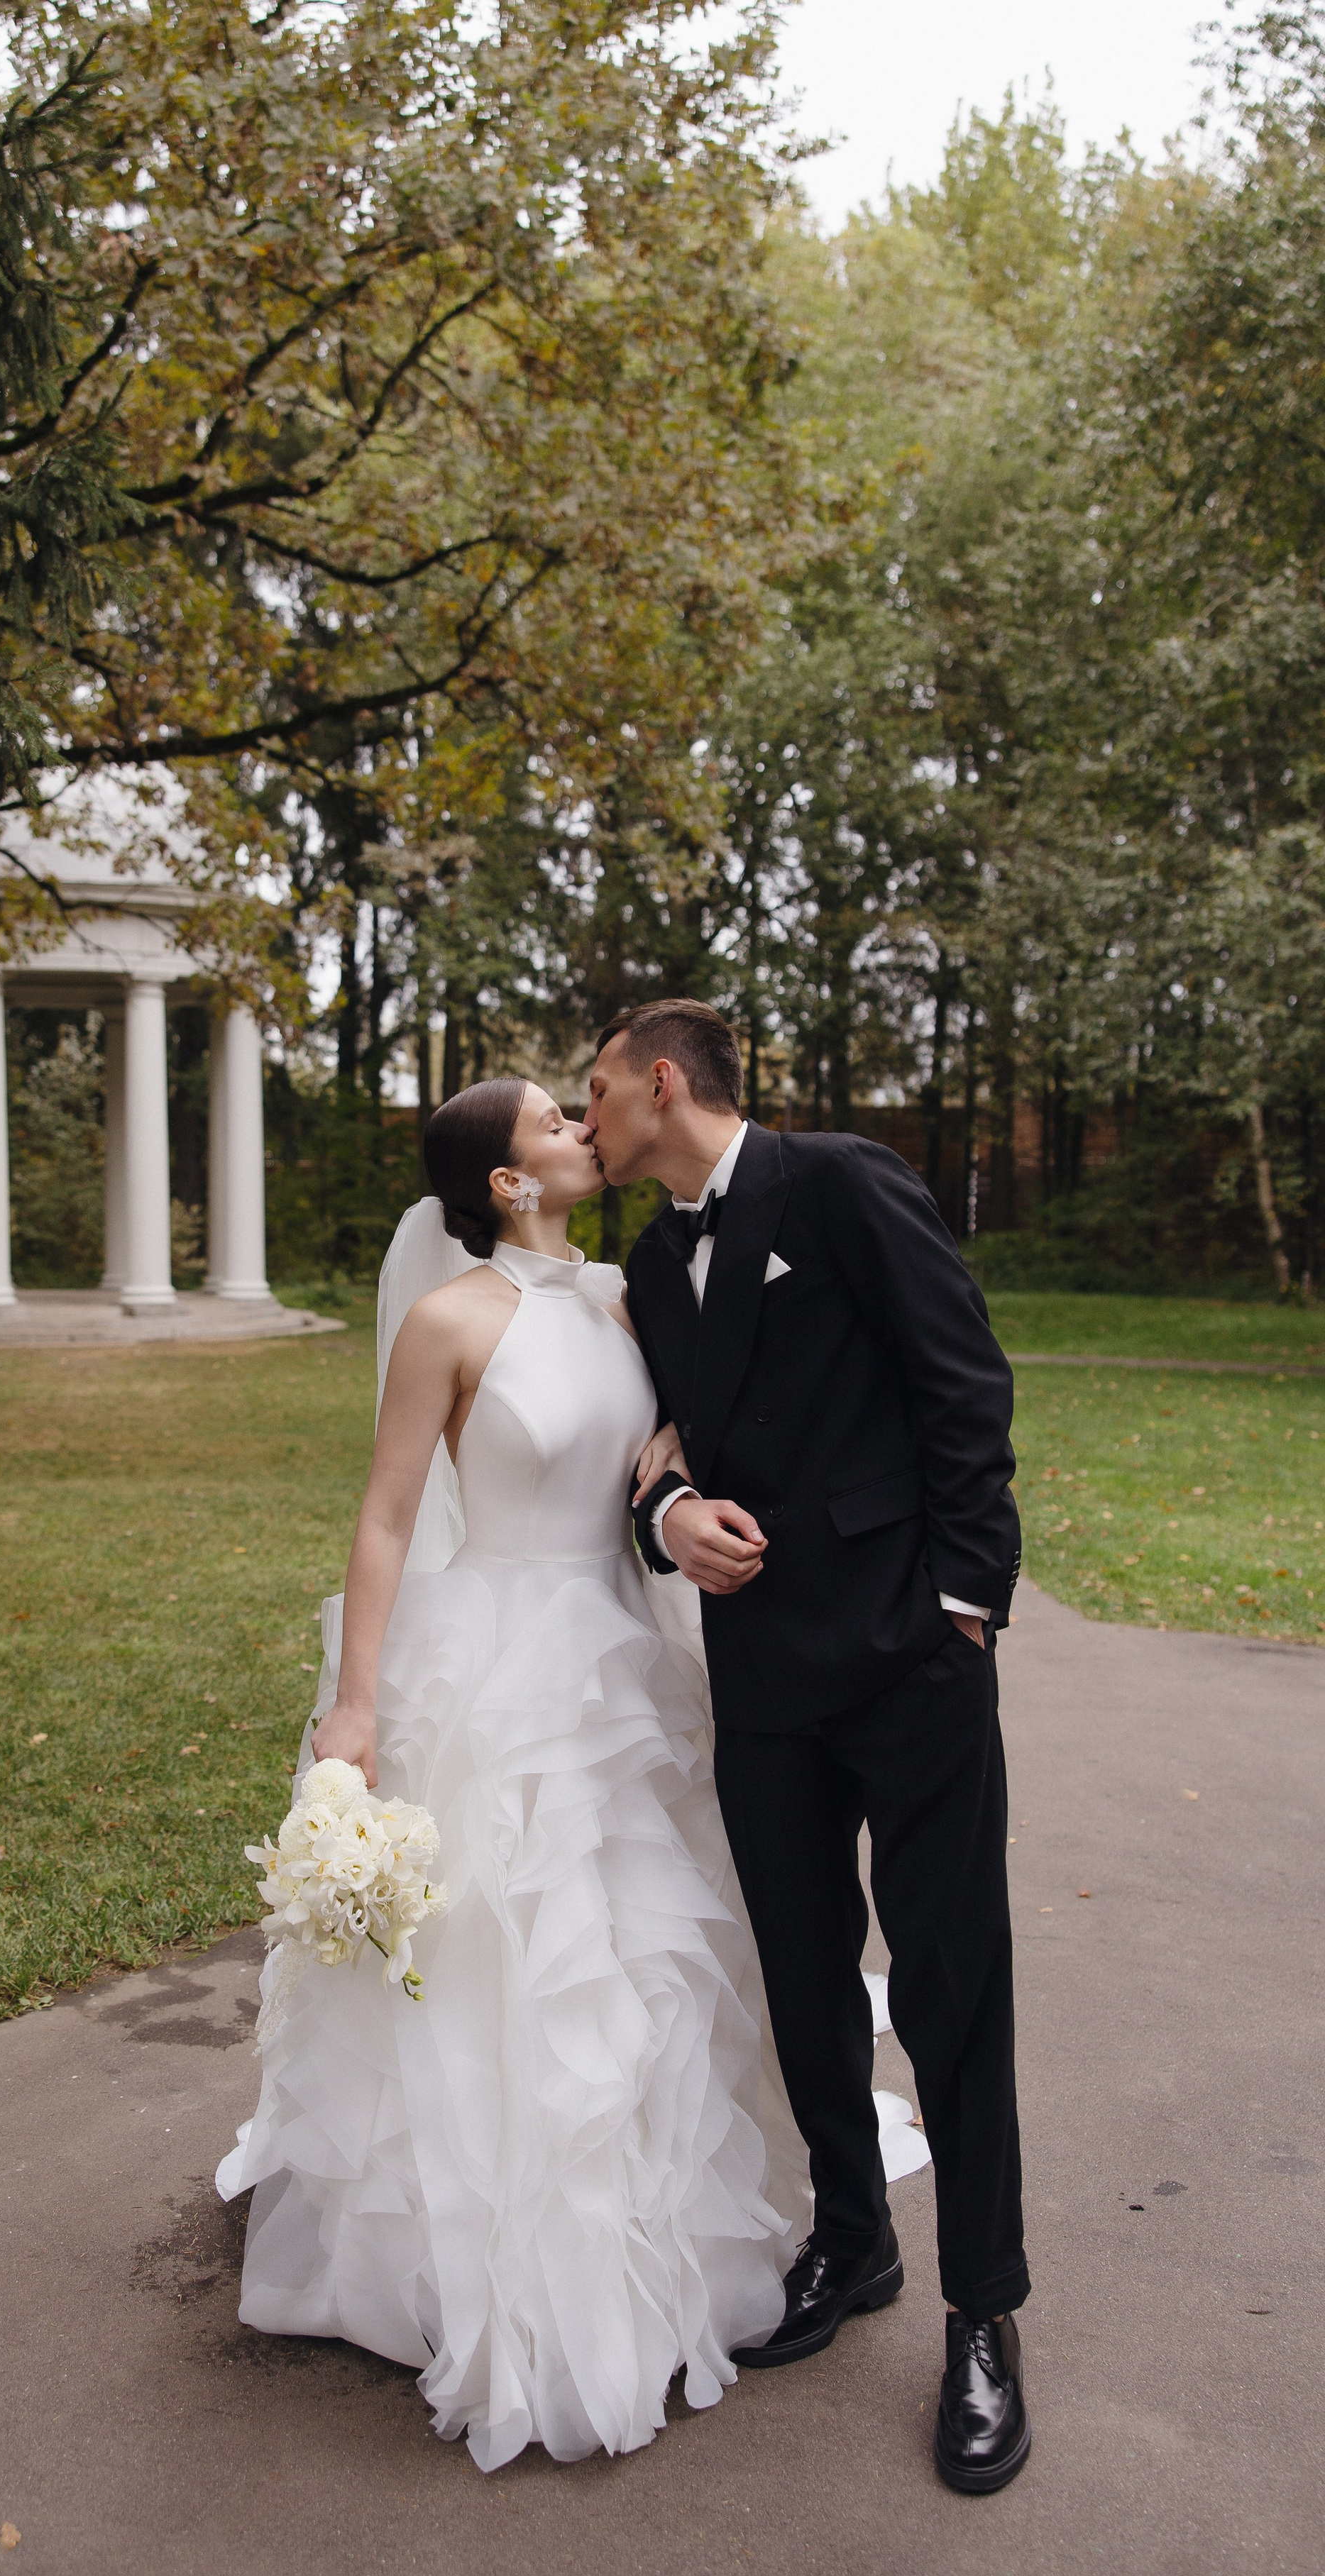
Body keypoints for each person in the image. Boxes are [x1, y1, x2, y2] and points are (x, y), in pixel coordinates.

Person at [216, 1078, 807, 2473]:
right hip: (488, 1663)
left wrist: (673, 1482)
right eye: (553, 1120)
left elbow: (661, 1449)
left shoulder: (624, 1296)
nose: (578, 1129)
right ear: (502, 1181)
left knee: (634, 1951)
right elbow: (384, 1516)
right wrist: (352, 1707)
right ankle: (483, 2253)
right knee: (500, 1958)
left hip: (624, 1662)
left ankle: (638, 2237)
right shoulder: (449, 1321)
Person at [583, 998, 1032, 2495]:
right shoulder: (651, 1262)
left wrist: (962, 1606)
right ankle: (854, 2240)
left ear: (661, 1083)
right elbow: (654, 1456)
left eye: (596, 1095)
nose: (587, 1125)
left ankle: (984, 2315)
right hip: (762, 1678)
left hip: (909, 1664)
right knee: (801, 1977)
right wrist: (667, 1521)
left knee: (952, 1987)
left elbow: (962, 1383)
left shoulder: (837, 1181)